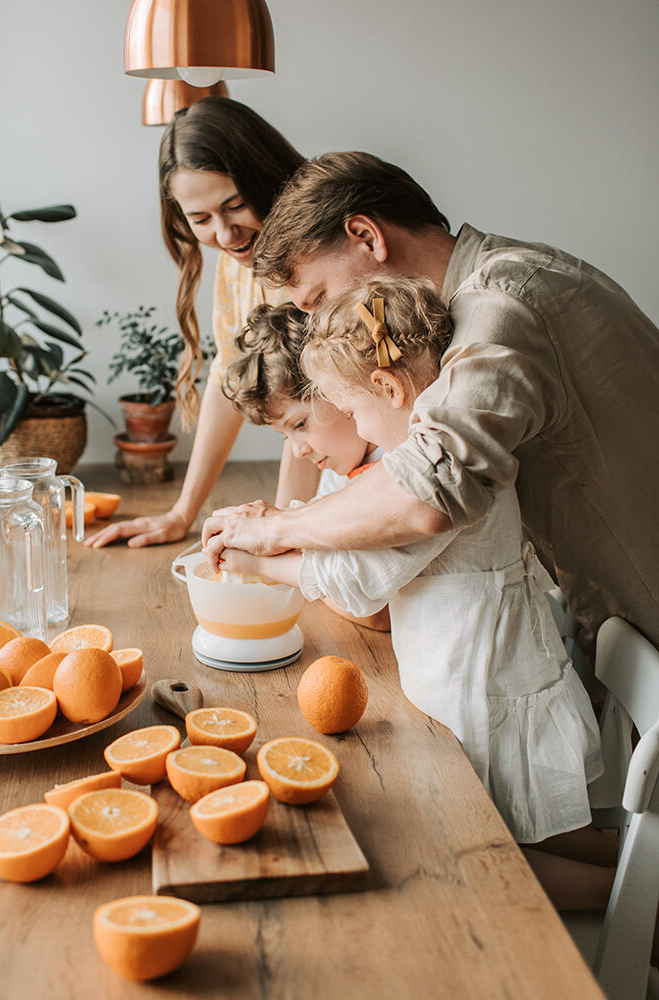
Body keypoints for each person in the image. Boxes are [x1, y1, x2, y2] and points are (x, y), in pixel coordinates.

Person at [217, 275, 616, 908]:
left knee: (479, 851)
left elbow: (358, 580)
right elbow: (348, 554)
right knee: (539, 834)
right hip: (471, 673)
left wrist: (257, 559)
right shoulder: (396, 453)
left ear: (384, 389)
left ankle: (640, 920)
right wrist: (275, 531)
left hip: (482, 683)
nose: (344, 428)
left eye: (343, 412)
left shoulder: (421, 475)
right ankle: (636, 885)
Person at [202, 151, 659, 649]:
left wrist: (277, 528)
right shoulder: (477, 297)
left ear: (367, 237)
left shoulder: (501, 305)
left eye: (317, 300)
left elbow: (427, 490)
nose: (317, 327)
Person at [85, 97, 318, 550]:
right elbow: (228, 376)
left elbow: (315, 402)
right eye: (201, 219)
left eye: (235, 205)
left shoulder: (317, 251)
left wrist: (284, 532)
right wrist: (182, 513)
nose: (226, 235)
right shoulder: (239, 259)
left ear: (266, 175)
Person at [221, 299, 389, 631]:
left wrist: (267, 564)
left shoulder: (396, 459)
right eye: (285, 436)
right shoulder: (338, 469)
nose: (298, 452)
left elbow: (376, 613)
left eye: (299, 425)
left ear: (340, 387)